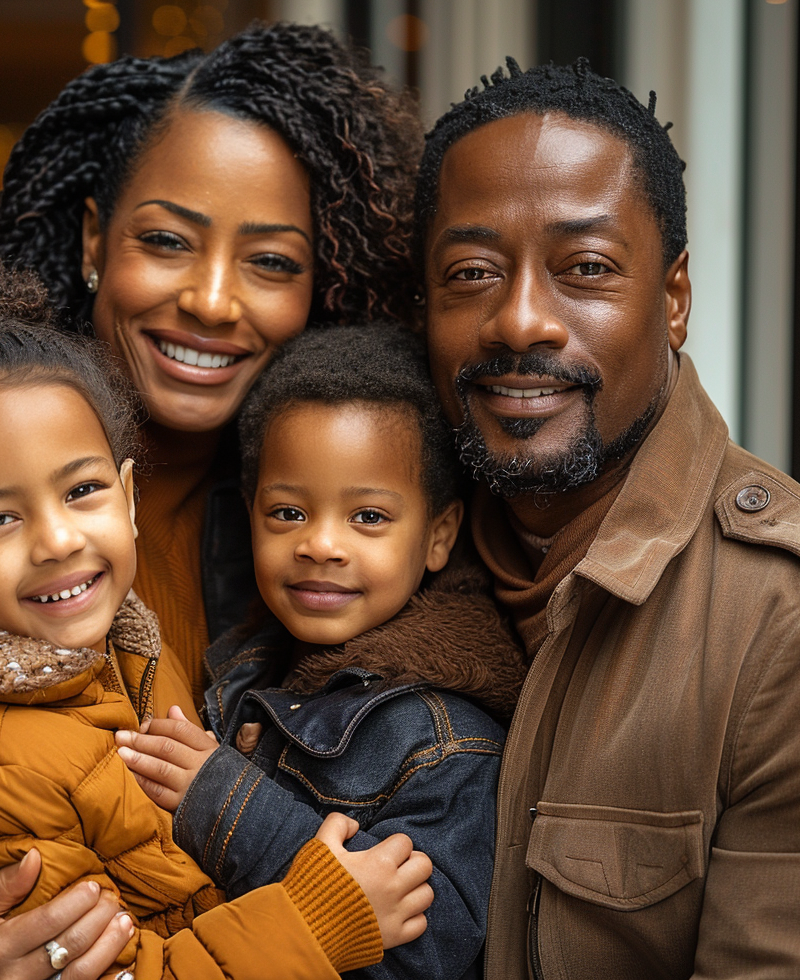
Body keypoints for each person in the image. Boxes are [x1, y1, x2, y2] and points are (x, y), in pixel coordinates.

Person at [0, 23, 421, 980]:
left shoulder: (331, 522)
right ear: (93, 240)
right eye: (166, 241)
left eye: (271, 262)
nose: (211, 299)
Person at [416, 57, 800, 977]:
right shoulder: (365, 551)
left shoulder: (777, 622)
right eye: (472, 272)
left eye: (584, 269)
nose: (519, 322)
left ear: (672, 300)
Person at [114, 324, 528, 979]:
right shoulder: (241, 671)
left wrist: (229, 807)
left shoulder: (447, 739)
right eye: (287, 514)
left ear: (438, 535)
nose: (321, 545)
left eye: (368, 517)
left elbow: (430, 945)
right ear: (250, 514)